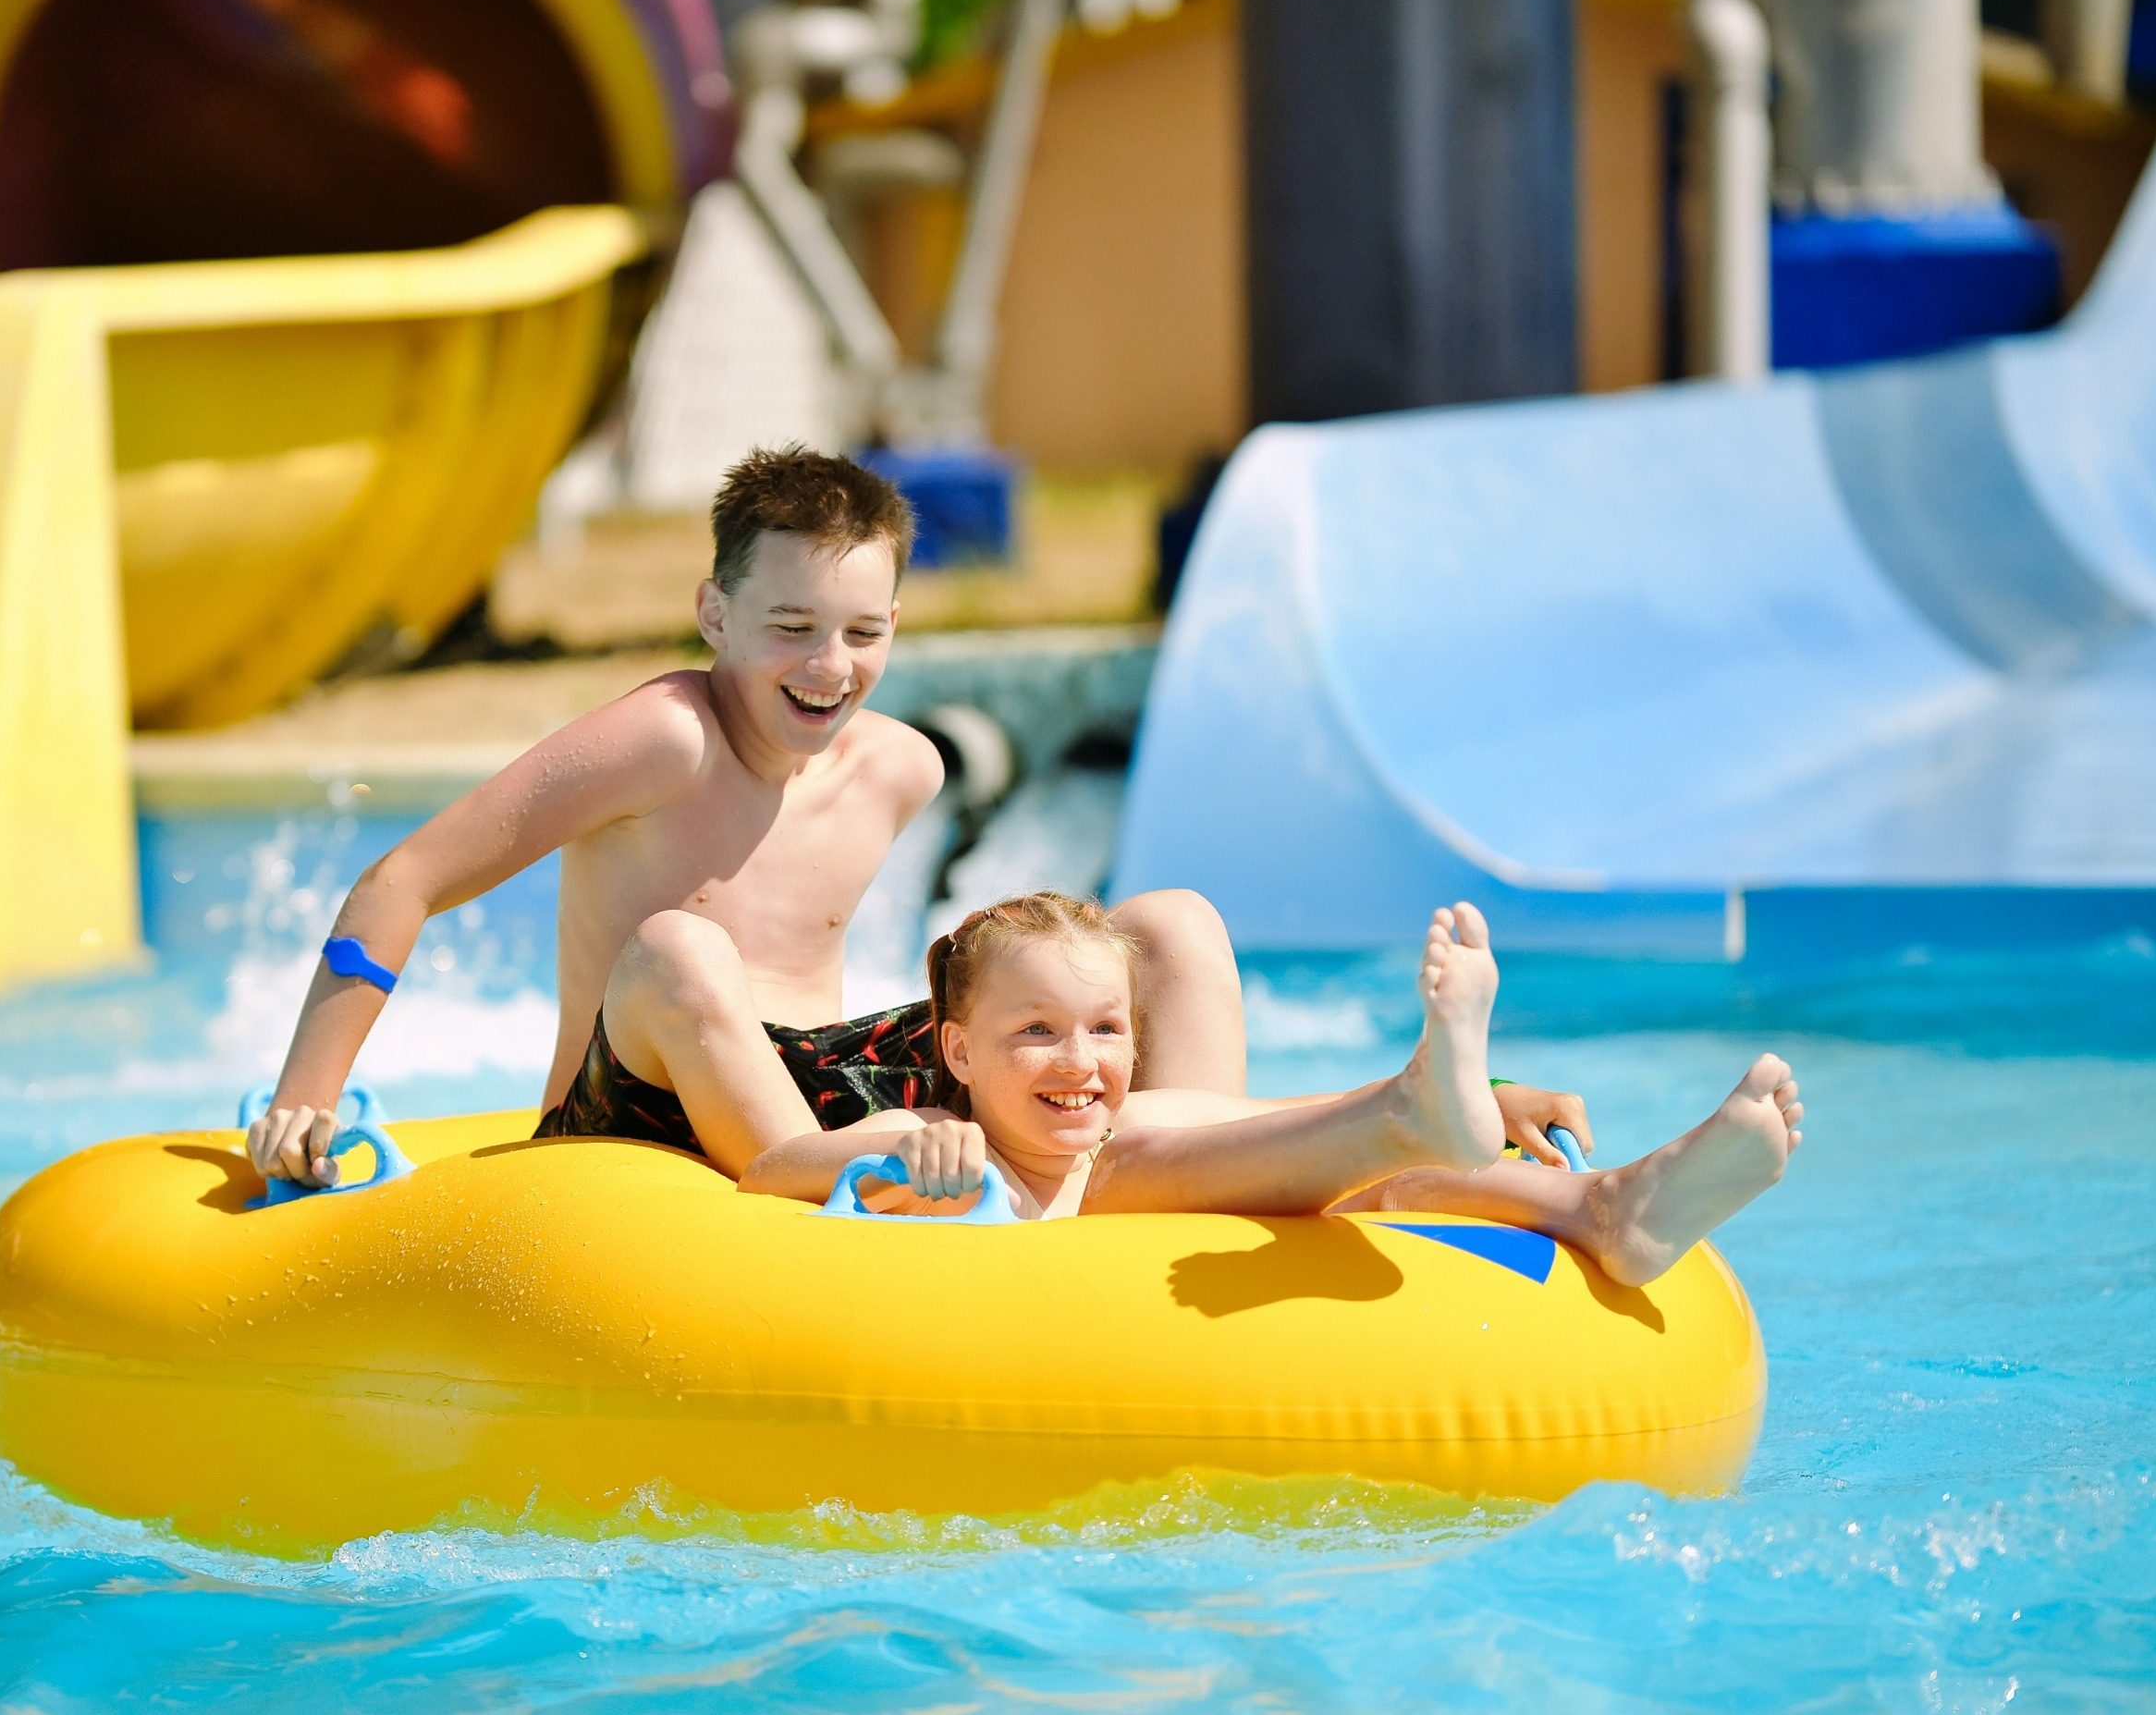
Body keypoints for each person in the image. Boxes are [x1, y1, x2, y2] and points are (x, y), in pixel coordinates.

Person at [248, 446, 1377, 1186]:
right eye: (790, 627)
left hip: (822, 1087)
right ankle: (811, 1173)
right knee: (683, 949)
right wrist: (307, 1101)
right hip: (635, 1114)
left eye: (863, 633)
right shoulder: (664, 742)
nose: (829, 668)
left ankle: (1262, 1159)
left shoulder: (901, 768)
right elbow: (405, 879)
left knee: (1168, 926)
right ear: (715, 613)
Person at [742, 893, 1802, 1287]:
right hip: (1055, 1264)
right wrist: (914, 1155)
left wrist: (1485, 1096)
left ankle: (1604, 1205)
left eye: (1108, 1029)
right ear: (961, 1054)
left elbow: (1273, 1124)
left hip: (1187, 1193)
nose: (1080, 1061)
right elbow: (773, 1169)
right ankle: (1414, 1109)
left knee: (1358, 1176)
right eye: (1036, 1034)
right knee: (1165, 1143)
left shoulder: (1125, 1117)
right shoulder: (938, 1131)